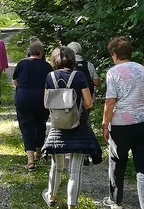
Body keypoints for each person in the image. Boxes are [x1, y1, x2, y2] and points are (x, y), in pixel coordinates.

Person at [41, 46, 103, 209]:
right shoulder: (80, 76)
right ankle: (72, 206)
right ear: (73, 59)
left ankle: (52, 197)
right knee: (75, 171)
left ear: (54, 60)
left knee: (57, 166)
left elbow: (46, 103)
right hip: (79, 127)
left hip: (58, 128)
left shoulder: (50, 76)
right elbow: (89, 103)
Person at [101, 36, 144, 209]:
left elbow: (110, 102)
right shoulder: (143, 70)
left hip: (122, 127)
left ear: (115, 54)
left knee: (118, 162)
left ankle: (116, 201)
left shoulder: (113, 72)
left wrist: (105, 125)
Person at [12, 41, 53, 171]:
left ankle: (30, 160)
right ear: (41, 53)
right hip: (42, 100)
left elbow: (15, 81)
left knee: (26, 127)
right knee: (40, 124)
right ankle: (39, 151)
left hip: (23, 100)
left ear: (29, 52)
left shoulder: (21, 64)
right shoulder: (47, 66)